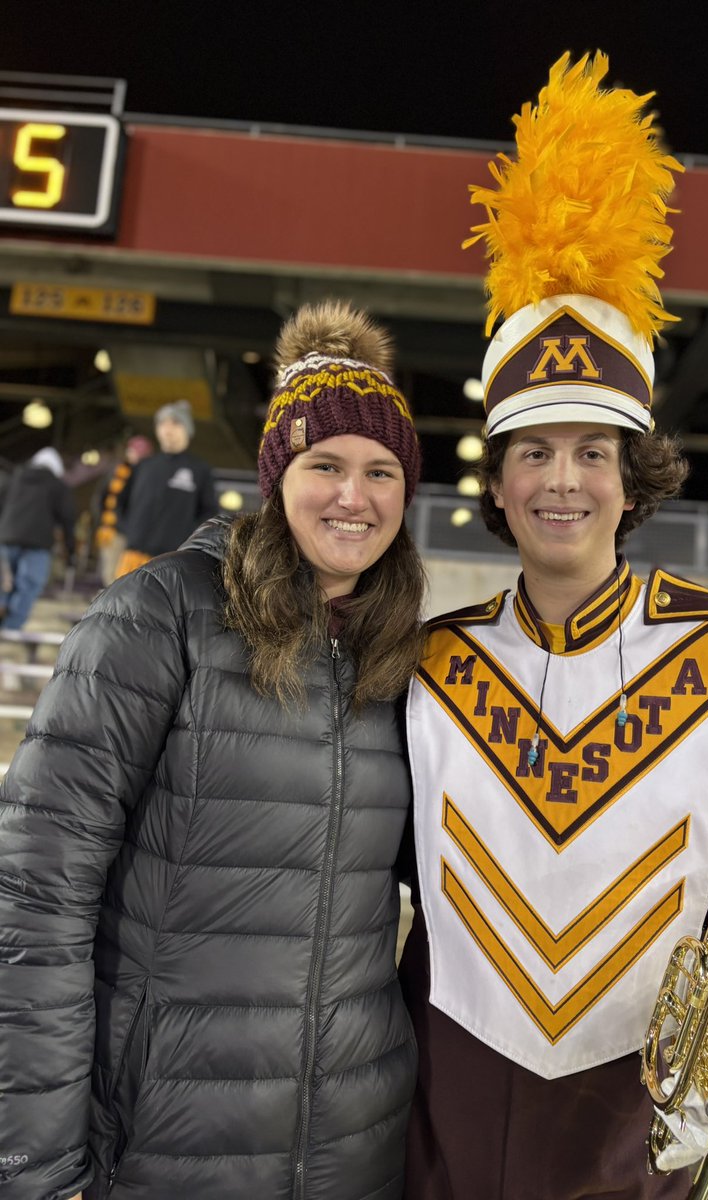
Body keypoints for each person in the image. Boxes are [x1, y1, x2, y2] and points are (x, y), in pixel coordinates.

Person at [398, 52, 708, 1200]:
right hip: (443, 1121)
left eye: (593, 452)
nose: (561, 481)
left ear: (637, 477)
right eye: (533, 450)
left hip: (634, 1147)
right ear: (500, 479)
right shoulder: (433, 667)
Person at [0, 300, 426, 1200]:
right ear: (277, 478)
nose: (355, 497)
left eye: (381, 470)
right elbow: (36, 896)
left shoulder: (405, 661)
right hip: (162, 1146)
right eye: (327, 466)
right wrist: (33, 1164)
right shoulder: (160, 617)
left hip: (352, 1150)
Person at [114, 399, 218, 578]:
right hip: (133, 556)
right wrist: (129, 530)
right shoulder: (143, 466)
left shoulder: (199, 470)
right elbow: (120, 502)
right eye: (162, 423)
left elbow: (209, 513)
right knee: (121, 606)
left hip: (172, 561)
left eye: (176, 423)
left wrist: (186, 541)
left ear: (187, 429)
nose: (168, 429)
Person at [0, 445, 76, 629]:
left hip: (6, 540)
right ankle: (9, 631)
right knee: (28, 587)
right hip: (37, 545)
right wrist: (70, 552)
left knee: (2, 584)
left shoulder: (13, 479)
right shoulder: (58, 486)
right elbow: (67, 519)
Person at [92, 436, 155, 586]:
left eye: (137, 452)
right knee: (111, 572)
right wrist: (103, 521)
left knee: (130, 575)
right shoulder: (118, 473)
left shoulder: (149, 476)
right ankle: (110, 606)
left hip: (138, 534)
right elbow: (101, 499)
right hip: (115, 531)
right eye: (131, 451)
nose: (132, 454)